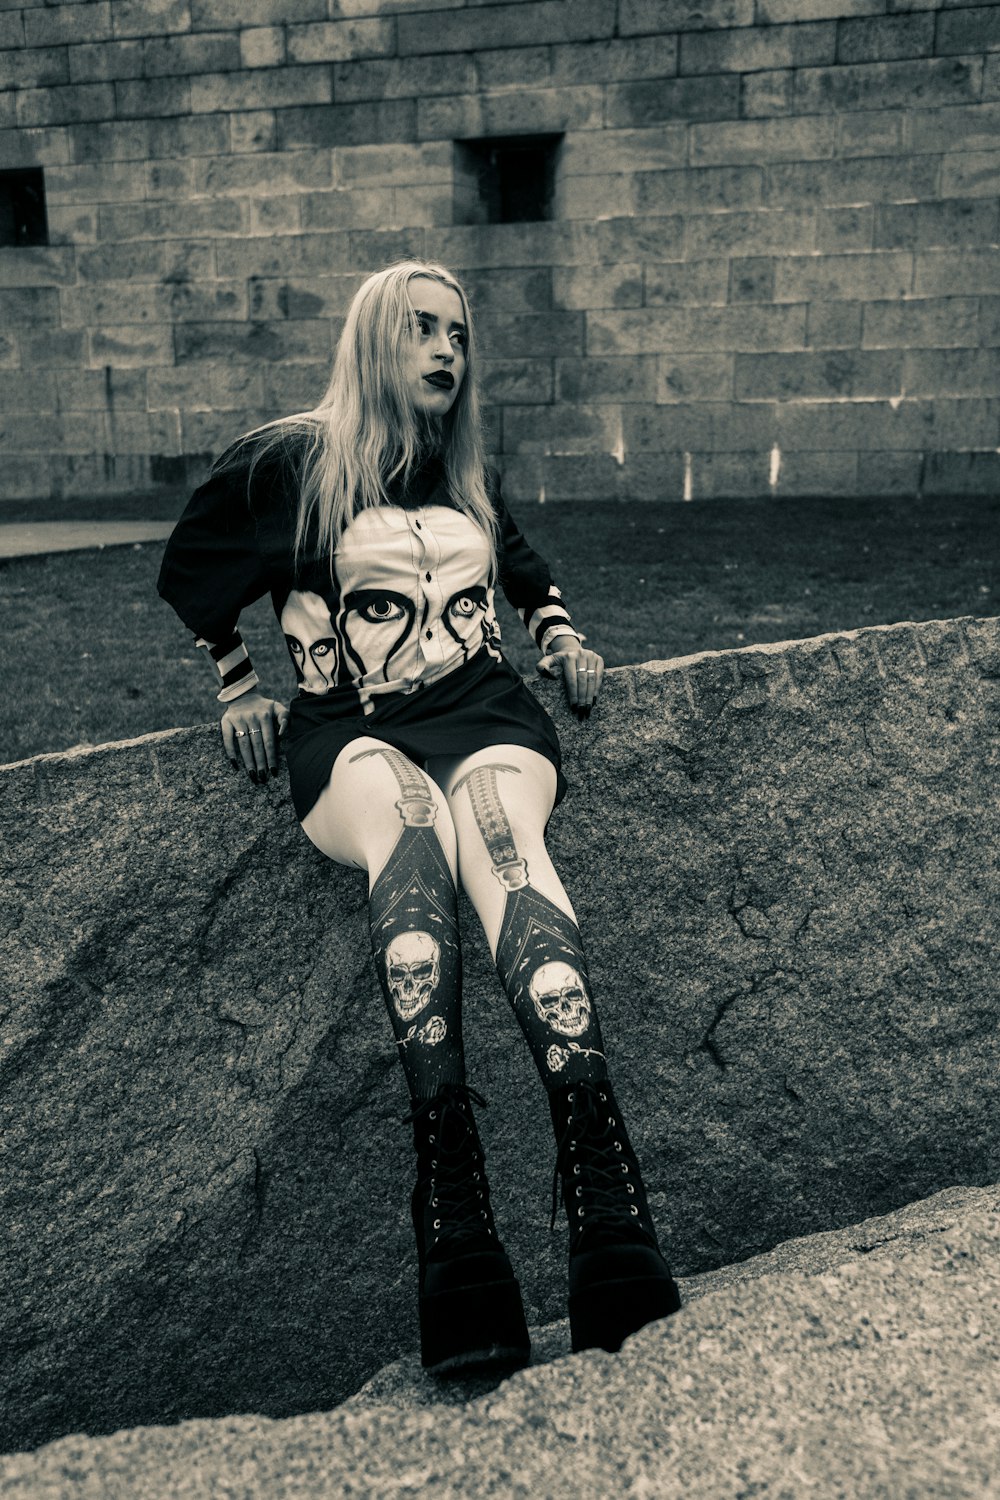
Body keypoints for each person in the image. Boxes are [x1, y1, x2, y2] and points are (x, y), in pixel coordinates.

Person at [157, 259, 681, 1376]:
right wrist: (235, 679)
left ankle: (604, 1193)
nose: (448, 350)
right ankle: (454, 1210)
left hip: (486, 718)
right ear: (372, 342)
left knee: (499, 838)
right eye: (423, 330)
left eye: (459, 333)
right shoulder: (290, 460)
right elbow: (190, 565)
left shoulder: (462, 467)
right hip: (349, 731)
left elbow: (520, 565)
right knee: (409, 838)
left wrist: (556, 635)